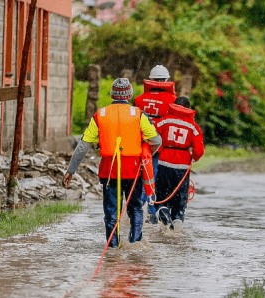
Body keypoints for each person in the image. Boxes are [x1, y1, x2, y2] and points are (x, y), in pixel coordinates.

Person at [62, 78, 162, 247]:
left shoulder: (100, 115)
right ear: (129, 95)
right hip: (134, 169)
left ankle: (113, 246)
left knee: (111, 212)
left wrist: (70, 171)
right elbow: (156, 140)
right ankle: (135, 243)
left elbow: (82, 146)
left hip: (109, 171)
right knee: (136, 207)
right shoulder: (138, 114)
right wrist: (147, 154)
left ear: (112, 95)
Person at [134, 65, 177, 224]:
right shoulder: (173, 100)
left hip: (141, 143)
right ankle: (152, 212)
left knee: (141, 175)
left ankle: (137, 208)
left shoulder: (139, 99)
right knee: (154, 176)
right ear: (166, 80)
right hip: (160, 146)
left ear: (151, 80)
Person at [154, 96, 204, 230]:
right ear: (188, 108)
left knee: (162, 193)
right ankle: (177, 219)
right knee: (180, 196)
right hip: (182, 165)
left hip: (164, 161)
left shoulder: (164, 121)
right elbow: (199, 150)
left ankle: (163, 212)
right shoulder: (193, 127)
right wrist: (194, 157)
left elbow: (151, 137)